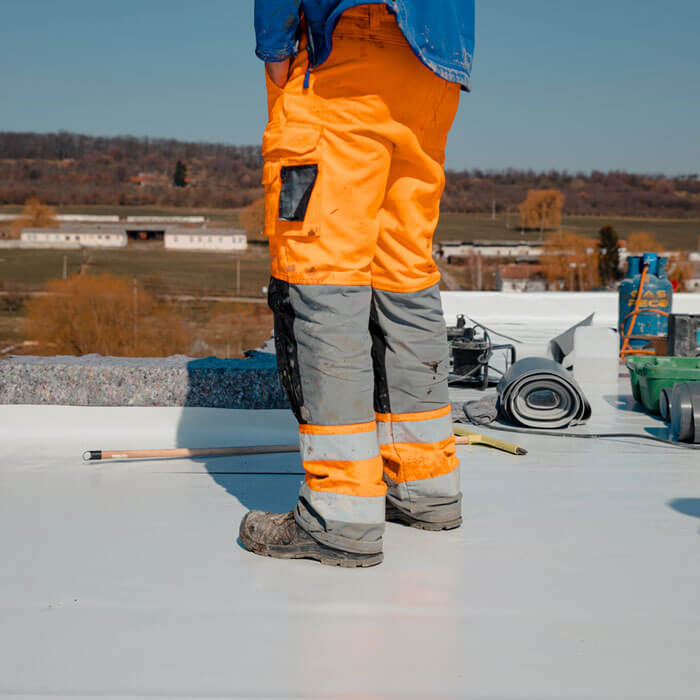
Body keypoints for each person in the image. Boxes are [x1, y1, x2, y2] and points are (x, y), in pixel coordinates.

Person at [240, 0, 475, 567]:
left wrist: (276, 48)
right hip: (434, 67)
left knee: (322, 279)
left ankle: (338, 512)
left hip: (345, 53)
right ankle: (423, 484)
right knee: (404, 275)